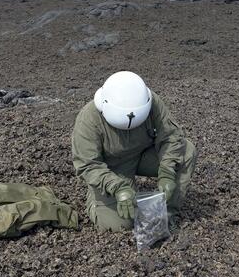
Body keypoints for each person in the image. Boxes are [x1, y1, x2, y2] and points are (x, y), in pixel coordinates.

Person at [71, 71, 197, 232]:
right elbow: (87, 165)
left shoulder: (151, 102)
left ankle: (168, 212)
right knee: (119, 225)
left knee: (187, 151)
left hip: (144, 154)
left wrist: (167, 172)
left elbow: (171, 136)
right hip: (112, 168)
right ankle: (95, 200)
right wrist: (117, 187)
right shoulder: (88, 119)